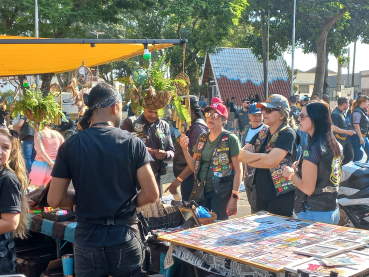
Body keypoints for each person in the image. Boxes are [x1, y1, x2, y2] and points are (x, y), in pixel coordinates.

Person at [48, 83, 159, 277]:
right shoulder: (132, 142)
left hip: (87, 239)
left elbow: (54, 200)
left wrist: (81, 198)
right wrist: (128, 203)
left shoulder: (71, 144)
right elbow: (152, 194)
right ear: (115, 107)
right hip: (123, 236)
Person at [179, 102, 242, 220]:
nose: (210, 117)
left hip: (221, 192)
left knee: (219, 227)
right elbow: (194, 167)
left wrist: (234, 196)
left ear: (224, 119)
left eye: (215, 115)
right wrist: (184, 149)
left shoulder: (230, 139)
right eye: (208, 114)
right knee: (200, 225)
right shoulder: (202, 138)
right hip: (201, 191)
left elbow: (238, 170)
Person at [239, 94, 299, 217]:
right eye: (264, 109)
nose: (264, 113)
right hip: (261, 193)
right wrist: (262, 156)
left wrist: (252, 159)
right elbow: (241, 155)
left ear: (282, 114)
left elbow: (271, 161)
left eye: (270, 110)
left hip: (281, 196)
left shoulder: (287, 134)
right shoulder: (263, 132)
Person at [282, 101, 342, 224]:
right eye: (299, 115)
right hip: (332, 210)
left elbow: (308, 188)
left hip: (313, 212)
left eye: (302, 116)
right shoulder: (334, 143)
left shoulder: (313, 148)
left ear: (316, 118)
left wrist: (290, 174)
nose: (298, 119)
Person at [121, 104, 175, 197]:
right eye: (150, 111)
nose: (153, 115)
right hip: (134, 180)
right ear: (144, 108)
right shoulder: (130, 122)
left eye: (156, 112)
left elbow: (172, 151)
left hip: (156, 178)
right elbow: (120, 149)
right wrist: (140, 151)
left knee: (156, 210)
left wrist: (165, 154)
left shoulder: (164, 125)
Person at [167, 96, 209, 201]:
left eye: (180, 109)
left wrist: (178, 180)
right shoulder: (192, 126)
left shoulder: (197, 129)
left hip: (193, 182)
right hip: (188, 180)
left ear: (191, 110)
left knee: (192, 214)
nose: (177, 113)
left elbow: (196, 161)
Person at [0, 127, 28, 274]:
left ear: (11, 153)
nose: (0, 151)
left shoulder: (7, 179)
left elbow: (10, 222)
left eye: (5, 147)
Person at [240, 104, 266, 213]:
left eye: (260, 115)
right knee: (251, 202)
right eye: (255, 115)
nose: (258, 118)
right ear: (249, 116)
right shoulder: (246, 129)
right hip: (247, 173)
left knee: (257, 203)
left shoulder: (266, 130)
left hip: (259, 172)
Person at [29, 123, 64, 189]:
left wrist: (51, 163)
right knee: (49, 192)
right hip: (54, 166)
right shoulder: (57, 134)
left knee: (32, 190)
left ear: (37, 125)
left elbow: (41, 152)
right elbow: (64, 148)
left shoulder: (38, 134)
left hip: (39, 166)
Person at [331, 97, 355, 164]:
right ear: (344, 104)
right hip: (339, 139)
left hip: (345, 139)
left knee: (350, 156)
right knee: (338, 158)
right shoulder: (335, 114)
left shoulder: (342, 112)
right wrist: (347, 132)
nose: (349, 105)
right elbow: (333, 128)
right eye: (348, 104)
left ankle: (342, 170)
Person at [349, 96, 369, 161]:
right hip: (358, 137)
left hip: (364, 136)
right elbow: (356, 125)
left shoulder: (362, 111)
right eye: (367, 102)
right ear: (362, 102)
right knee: (358, 157)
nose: (368, 103)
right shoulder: (357, 111)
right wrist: (360, 137)